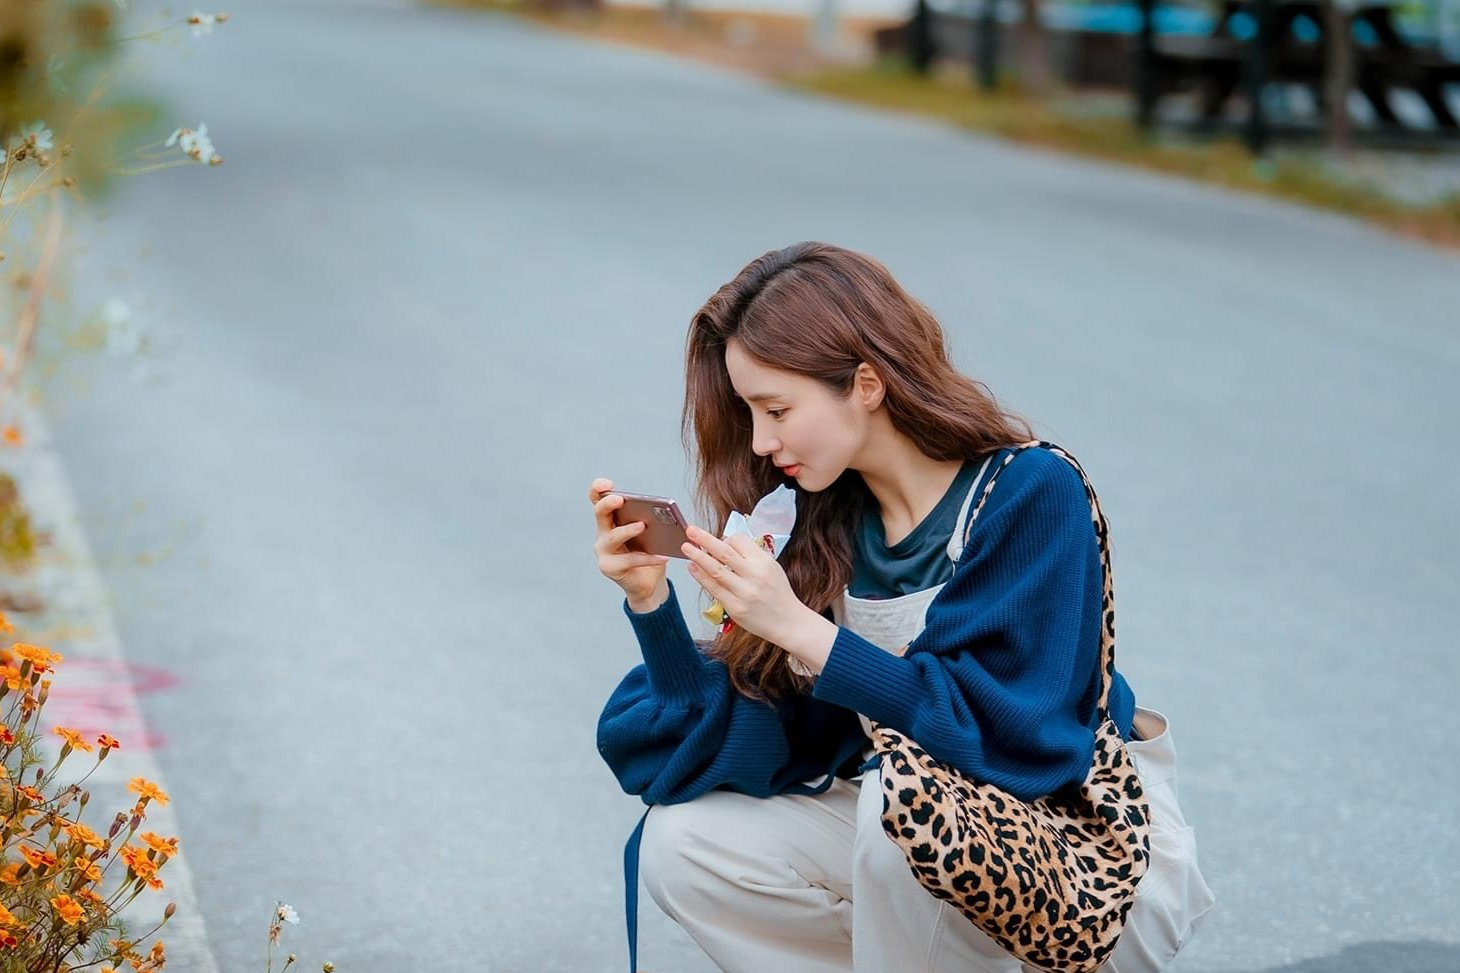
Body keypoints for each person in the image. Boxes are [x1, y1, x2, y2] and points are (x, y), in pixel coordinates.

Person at [590, 242, 1215, 973]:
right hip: (911, 850)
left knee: (899, 799)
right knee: (687, 845)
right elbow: (751, 739)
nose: (760, 441)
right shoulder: (823, 518)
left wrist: (800, 628)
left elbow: (1007, 739)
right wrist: (653, 606)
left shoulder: (1031, 491)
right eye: (749, 412)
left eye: (777, 409)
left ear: (865, 383)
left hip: (1076, 859)